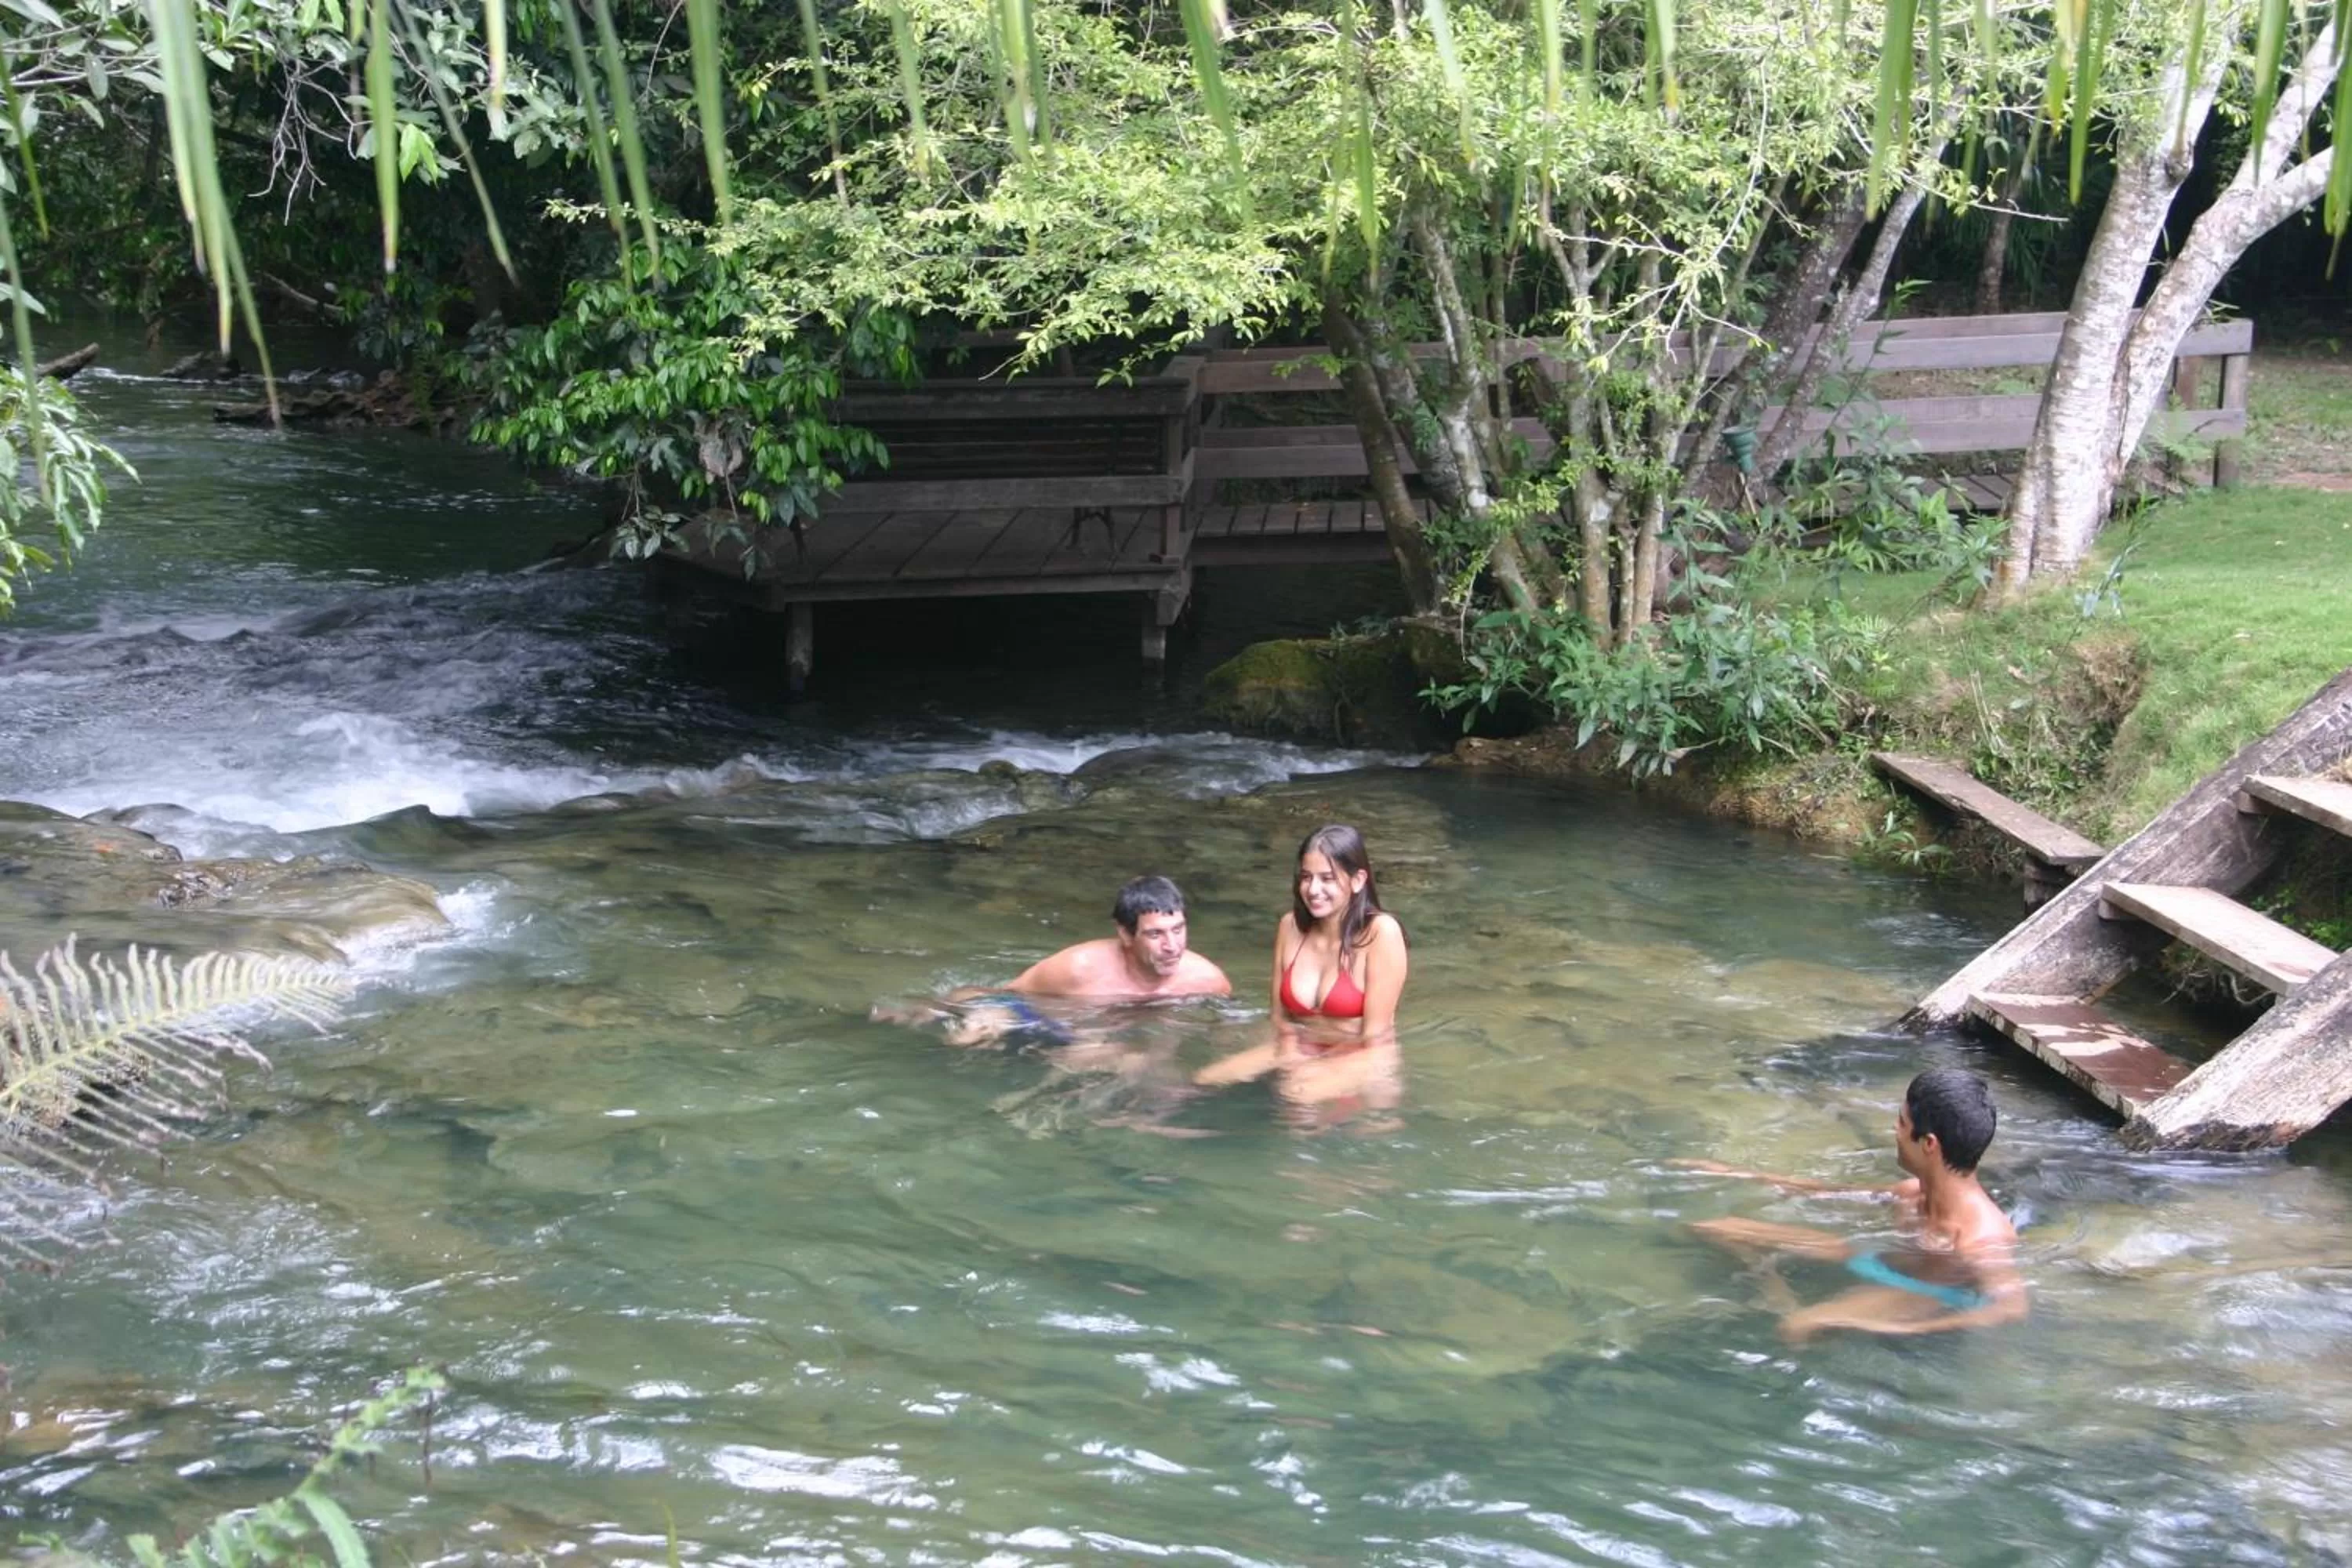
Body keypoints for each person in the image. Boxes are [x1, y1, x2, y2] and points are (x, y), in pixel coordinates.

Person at [1678, 1066, 2028, 1343]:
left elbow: (2011, 1308)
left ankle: (1798, 1313)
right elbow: (1830, 1194)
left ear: (1929, 1144)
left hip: (1924, 1292)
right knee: (1718, 1228)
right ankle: (1779, 1295)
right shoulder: (1911, 1192)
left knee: (1798, 1326)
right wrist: (1736, 1173)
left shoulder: (1981, 1238)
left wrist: (1907, 1329)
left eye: (1902, 1122)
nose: (1895, 1130)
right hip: (1877, 1261)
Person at [1194, 823, 1409, 1129]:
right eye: (1307, 877)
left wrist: (1312, 1066)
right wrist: (1290, 1052)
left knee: (1298, 1094)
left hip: (1365, 1055)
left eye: (1327, 878)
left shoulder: (1381, 933)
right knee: (1205, 1081)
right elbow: (1279, 1017)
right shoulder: (1290, 927)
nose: (1313, 889)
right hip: (1303, 1046)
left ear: (1358, 880)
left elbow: (1374, 1035)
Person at [870, 874, 1230, 1048]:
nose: (1172, 946)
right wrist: (939, 1007)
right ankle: (905, 1017)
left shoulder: (1207, 981)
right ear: (1125, 934)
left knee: (1111, 1062)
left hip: (1094, 1039)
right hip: (1040, 1014)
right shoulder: (1078, 968)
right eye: (1155, 934)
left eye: (1178, 930)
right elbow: (1006, 994)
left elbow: (1219, 1033)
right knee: (968, 1036)